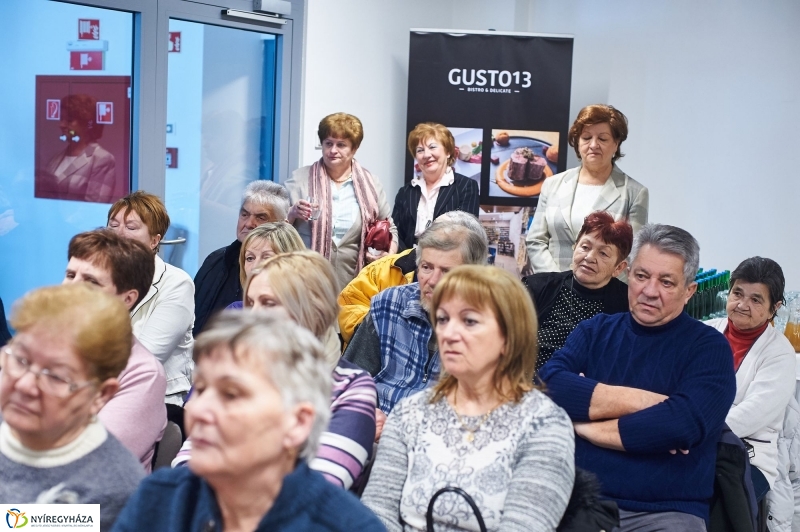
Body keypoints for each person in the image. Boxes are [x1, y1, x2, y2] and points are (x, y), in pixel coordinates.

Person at [539, 223, 736, 530]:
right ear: (627, 274)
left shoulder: (709, 348)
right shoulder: (595, 331)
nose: (650, 291)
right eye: (641, 276)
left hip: (665, 512)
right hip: (580, 500)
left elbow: (681, 425)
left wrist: (580, 425)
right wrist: (647, 402)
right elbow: (549, 387)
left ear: (689, 291)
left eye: (667, 282)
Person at [113, 312, 385, 531]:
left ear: (297, 423)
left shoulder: (346, 525)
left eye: (231, 394)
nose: (199, 409)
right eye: (201, 389)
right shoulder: (160, 499)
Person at [362, 265, 575, 531]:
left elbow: (524, 525)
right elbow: (376, 514)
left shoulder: (544, 426)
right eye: (442, 319)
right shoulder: (410, 414)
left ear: (508, 338)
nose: (449, 334)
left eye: (469, 321)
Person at [175, 251, 377, 490]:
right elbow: (186, 467)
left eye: (268, 303)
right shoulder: (230, 371)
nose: (254, 315)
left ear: (313, 311)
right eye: (251, 303)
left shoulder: (350, 387)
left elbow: (322, 485)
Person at [0, 284, 145, 530]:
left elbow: (15, 523)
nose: (25, 385)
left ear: (100, 394)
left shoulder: (113, 492)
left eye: (55, 376)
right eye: (21, 360)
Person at [343, 213, 488, 439]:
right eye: (426, 267)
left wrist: (399, 429)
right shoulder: (387, 304)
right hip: (373, 435)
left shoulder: (490, 326)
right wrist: (365, 412)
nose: (432, 281)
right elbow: (348, 381)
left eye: (447, 271)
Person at [62, 229, 167, 472]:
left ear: (127, 299)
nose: (72, 288)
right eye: (70, 275)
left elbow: (90, 467)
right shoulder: (40, 346)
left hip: (91, 506)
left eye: (91, 281)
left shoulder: (143, 373)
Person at [705, 257, 796, 494]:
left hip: (748, 453)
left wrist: (694, 430)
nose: (742, 305)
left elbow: (752, 414)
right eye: (738, 293)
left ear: (773, 308)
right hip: (692, 439)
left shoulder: (779, 353)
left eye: (756, 299)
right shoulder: (705, 332)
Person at [525, 104, 648, 273]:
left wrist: (594, 284)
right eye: (586, 137)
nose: (593, 145)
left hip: (604, 294)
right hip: (552, 289)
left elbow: (632, 252)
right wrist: (556, 281)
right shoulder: (552, 184)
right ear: (577, 142)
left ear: (616, 144)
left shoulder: (634, 192)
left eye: (603, 139)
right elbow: (535, 241)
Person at [285, 112, 398, 290]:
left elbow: (390, 228)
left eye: (341, 145)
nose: (333, 150)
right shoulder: (299, 179)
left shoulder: (371, 184)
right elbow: (276, 229)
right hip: (304, 281)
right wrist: (291, 214)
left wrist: (387, 256)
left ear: (354, 148)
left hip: (354, 283)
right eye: (328, 143)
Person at [337, 210, 475, 347]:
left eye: (446, 270)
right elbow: (349, 307)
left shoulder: (479, 292)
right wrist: (387, 333)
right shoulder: (382, 269)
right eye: (434, 237)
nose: (433, 280)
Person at [107, 191, 194, 405]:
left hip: (155, 401)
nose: (119, 234)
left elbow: (145, 360)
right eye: (113, 225)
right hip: (99, 394)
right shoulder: (95, 276)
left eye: (131, 227)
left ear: (154, 240)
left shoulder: (176, 284)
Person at [523, 211, 631, 370]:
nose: (589, 257)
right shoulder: (536, 287)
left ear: (619, 268)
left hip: (586, 389)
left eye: (603, 253)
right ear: (574, 247)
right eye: (585, 247)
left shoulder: (627, 303)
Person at [193, 180, 290, 335]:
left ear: (283, 225)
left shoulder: (292, 275)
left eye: (261, 217)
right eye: (244, 214)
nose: (249, 223)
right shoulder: (216, 260)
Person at [391, 122, 480, 250]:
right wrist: (408, 261)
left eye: (432, 147)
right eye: (420, 150)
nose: (426, 155)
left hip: (448, 264)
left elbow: (467, 234)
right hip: (407, 264)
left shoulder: (466, 187)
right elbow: (396, 234)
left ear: (448, 152)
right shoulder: (405, 192)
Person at [37, 93, 117, 204]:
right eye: (61, 119)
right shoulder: (56, 158)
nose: (62, 125)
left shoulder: (102, 159)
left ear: (88, 125)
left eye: (69, 120)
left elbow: (93, 207)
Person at [226, 221, 306, 310]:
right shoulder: (235, 311)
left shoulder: (310, 314)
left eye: (267, 258)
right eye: (250, 258)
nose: (255, 267)